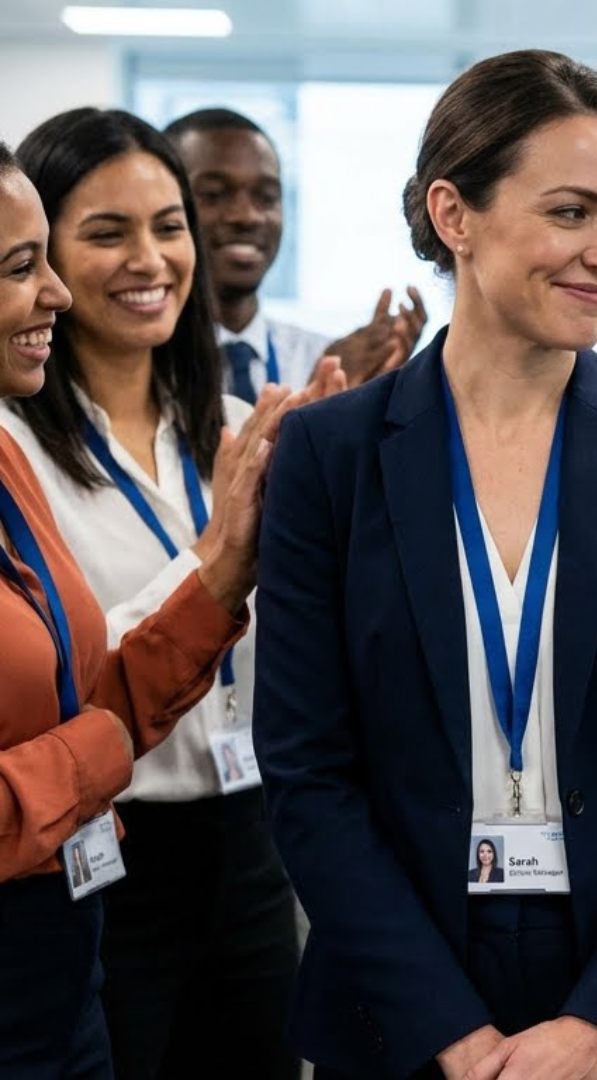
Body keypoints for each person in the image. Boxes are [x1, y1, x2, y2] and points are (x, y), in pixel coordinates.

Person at [253, 50, 597, 1080]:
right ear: (454, 214)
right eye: (572, 212)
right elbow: (310, 773)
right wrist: (445, 1030)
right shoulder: (330, 454)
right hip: (405, 990)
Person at [6, 106, 336, 1080]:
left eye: (168, 226)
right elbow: (64, 666)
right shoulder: (16, 447)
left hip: (248, 830)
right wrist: (212, 555)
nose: (149, 259)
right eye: (108, 232)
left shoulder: (237, 425)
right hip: (100, 837)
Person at [164, 108, 428, 397]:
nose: (248, 216)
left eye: (267, 197)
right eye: (214, 194)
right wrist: (319, 405)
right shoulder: (141, 365)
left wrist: (363, 402)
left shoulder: (331, 361)